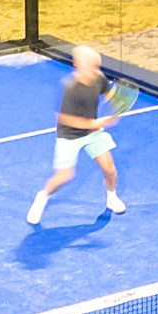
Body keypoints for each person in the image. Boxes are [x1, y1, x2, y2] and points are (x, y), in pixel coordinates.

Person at [25, 43, 130, 224]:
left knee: (110, 169)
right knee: (65, 176)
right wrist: (99, 122)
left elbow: (108, 95)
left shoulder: (99, 78)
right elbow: (65, 119)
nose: (93, 68)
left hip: (93, 133)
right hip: (69, 136)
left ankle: (112, 198)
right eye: (88, 64)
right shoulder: (70, 88)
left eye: (95, 64)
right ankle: (42, 196)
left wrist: (119, 103)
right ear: (77, 65)